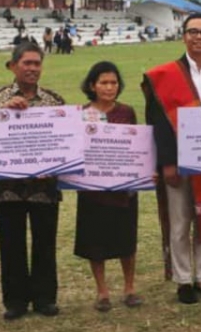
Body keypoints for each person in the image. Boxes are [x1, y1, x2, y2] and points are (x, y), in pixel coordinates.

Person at [142, 13, 201, 304]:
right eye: (192, 31)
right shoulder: (166, 75)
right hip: (178, 160)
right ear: (183, 36)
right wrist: (167, 161)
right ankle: (183, 280)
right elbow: (157, 121)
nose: (198, 37)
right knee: (180, 222)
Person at [0, 42, 66, 319]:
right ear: (13, 65)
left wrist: (55, 166)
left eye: (36, 63)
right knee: (11, 245)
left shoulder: (54, 101)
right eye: (26, 63)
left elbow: (65, 143)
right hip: (8, 189)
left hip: (45, 188)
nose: (32, 68)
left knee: (45, 244)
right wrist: (4, 114)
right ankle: (15, 301)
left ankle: (45, 298)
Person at [74, 61, 141, 311]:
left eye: (113, 82)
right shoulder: (81, 113)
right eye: (104, 82)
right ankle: (102, 291)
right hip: (92, 190)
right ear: (93, 85)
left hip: (124, 189)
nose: (109, 87)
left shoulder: (127, 111)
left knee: (126, 240)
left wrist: (144, 173)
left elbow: (137, 148)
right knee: (96, 242)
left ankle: (130, 287)